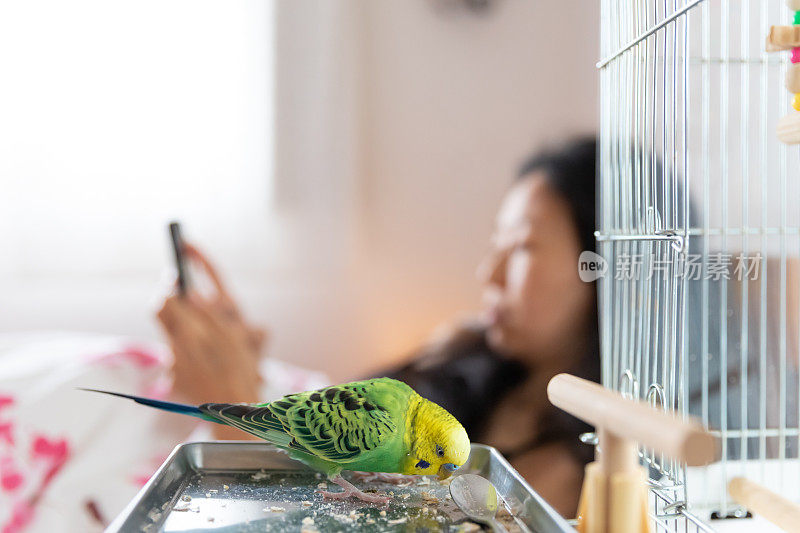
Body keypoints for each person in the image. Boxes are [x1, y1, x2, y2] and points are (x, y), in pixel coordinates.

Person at [156, 137, 600, 517]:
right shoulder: (461, 348)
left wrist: (237, 418)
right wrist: (246, 372)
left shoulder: (569, 476)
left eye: (522, 247)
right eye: (493, 243)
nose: (489, 272)